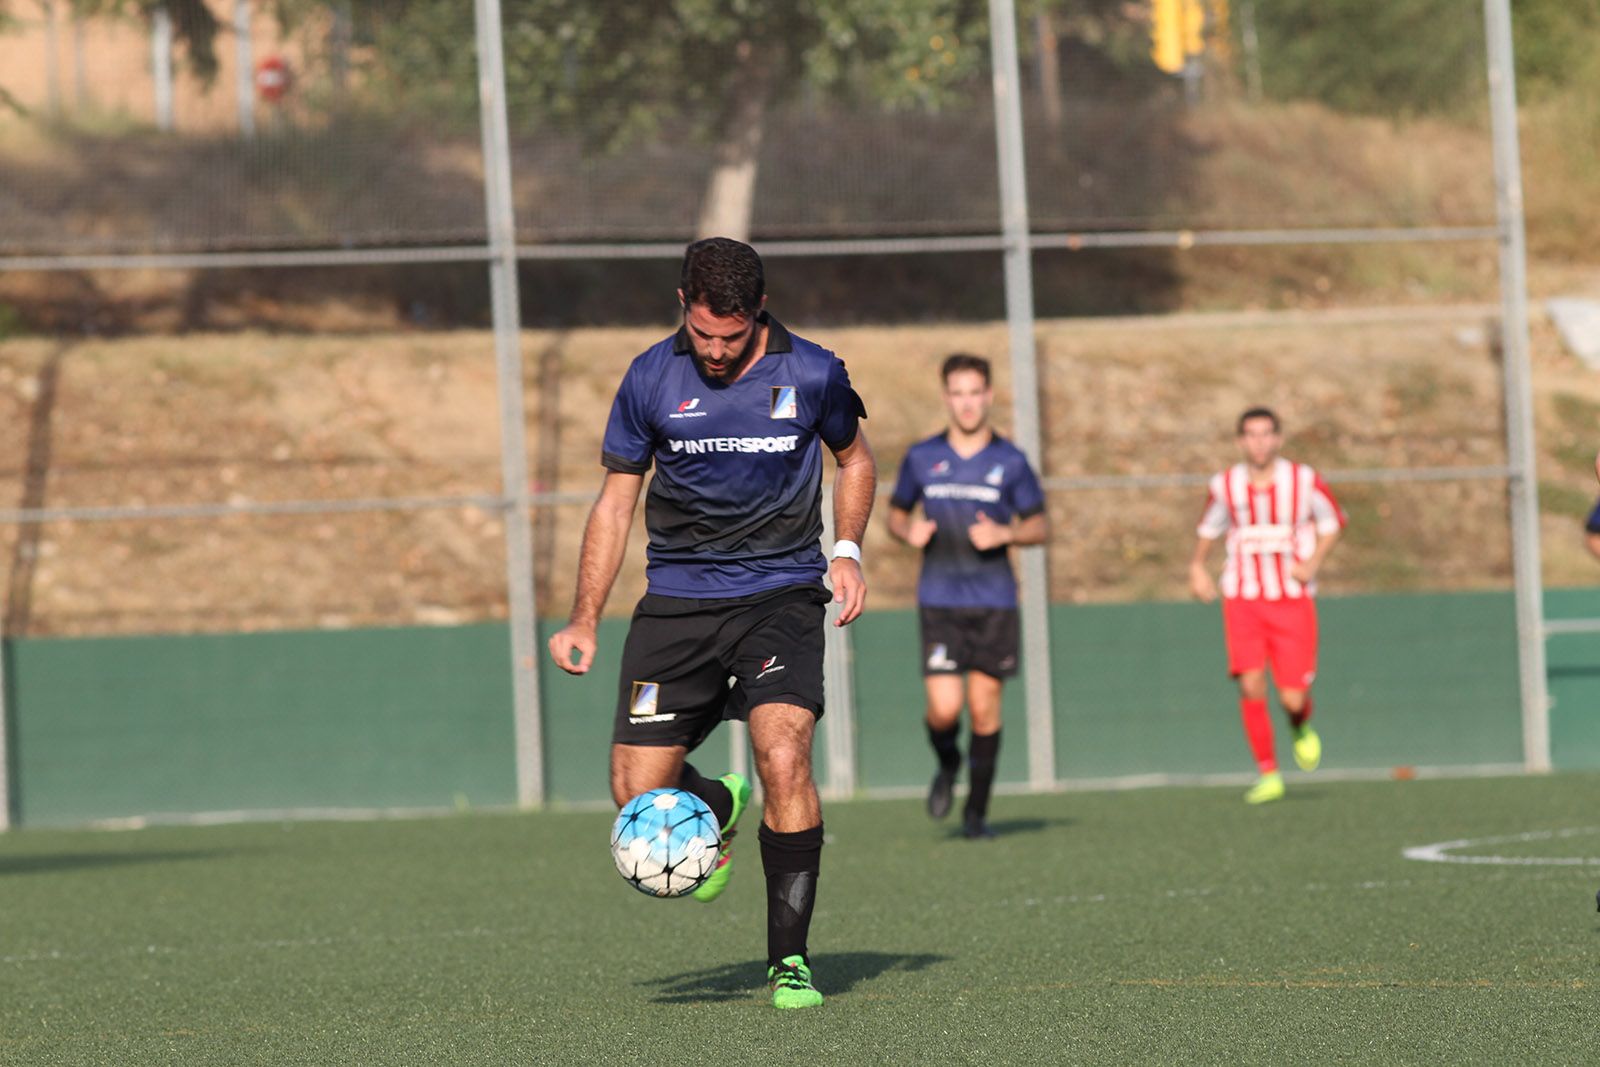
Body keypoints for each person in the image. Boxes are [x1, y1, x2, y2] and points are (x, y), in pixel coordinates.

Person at [548, 237, 875, 1010]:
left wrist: (848, 550)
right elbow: (616, 502)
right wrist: (584, 617)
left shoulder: (813, 371)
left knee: (783, 755)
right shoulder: (649, 377)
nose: (717, 351)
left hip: (781, 595)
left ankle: (789, 961)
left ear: (759, 309)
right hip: (678, 598)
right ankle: (717, 804)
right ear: (682, 307)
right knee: (636, 790)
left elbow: (856, 460)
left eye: (731, 336)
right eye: (703, 334)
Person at [886, 354, 1047, 839]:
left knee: (984, 709)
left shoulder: (1010, 460)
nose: (968, 403)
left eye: (975, 392)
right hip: (940, 599)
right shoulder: (923, 456)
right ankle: (948, 763)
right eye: (958, 393)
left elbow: (1039, 524)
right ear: (946, 398)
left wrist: (1007, 534)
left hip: (994, 601)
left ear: (989, 395)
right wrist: (907, 531)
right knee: (943, 710)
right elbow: (896, 514)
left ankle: (976, 813)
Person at [1189, 407, 1344, 804]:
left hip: (1291, 600)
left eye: (1265, 434)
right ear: (1240, 441)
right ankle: (1268, 773)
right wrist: (1197, 567)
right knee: (1250, 682)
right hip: (1243, 598)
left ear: (1278, 438)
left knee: (1291, 697)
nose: (1259, 442)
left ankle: (1299, 723)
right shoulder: (1225, 485)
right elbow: (1209, 527)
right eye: (1251, 435)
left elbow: (1332, 523)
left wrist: (1313, 562)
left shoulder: (1303, 480)